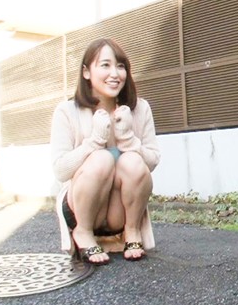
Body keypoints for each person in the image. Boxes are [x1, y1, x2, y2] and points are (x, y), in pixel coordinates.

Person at [52, 38, 161, 264]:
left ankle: (132, 231)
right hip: (81, 210)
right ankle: (83, 232)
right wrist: (94, 141)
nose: (115, 74)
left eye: (120, 66)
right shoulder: (66, 111)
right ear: (86, 72)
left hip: (119, 213)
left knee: (133, 161)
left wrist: (128, 139)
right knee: (101, 159)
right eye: (105, 65)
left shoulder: (140, 108)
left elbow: (151, 162)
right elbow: (61, 171)